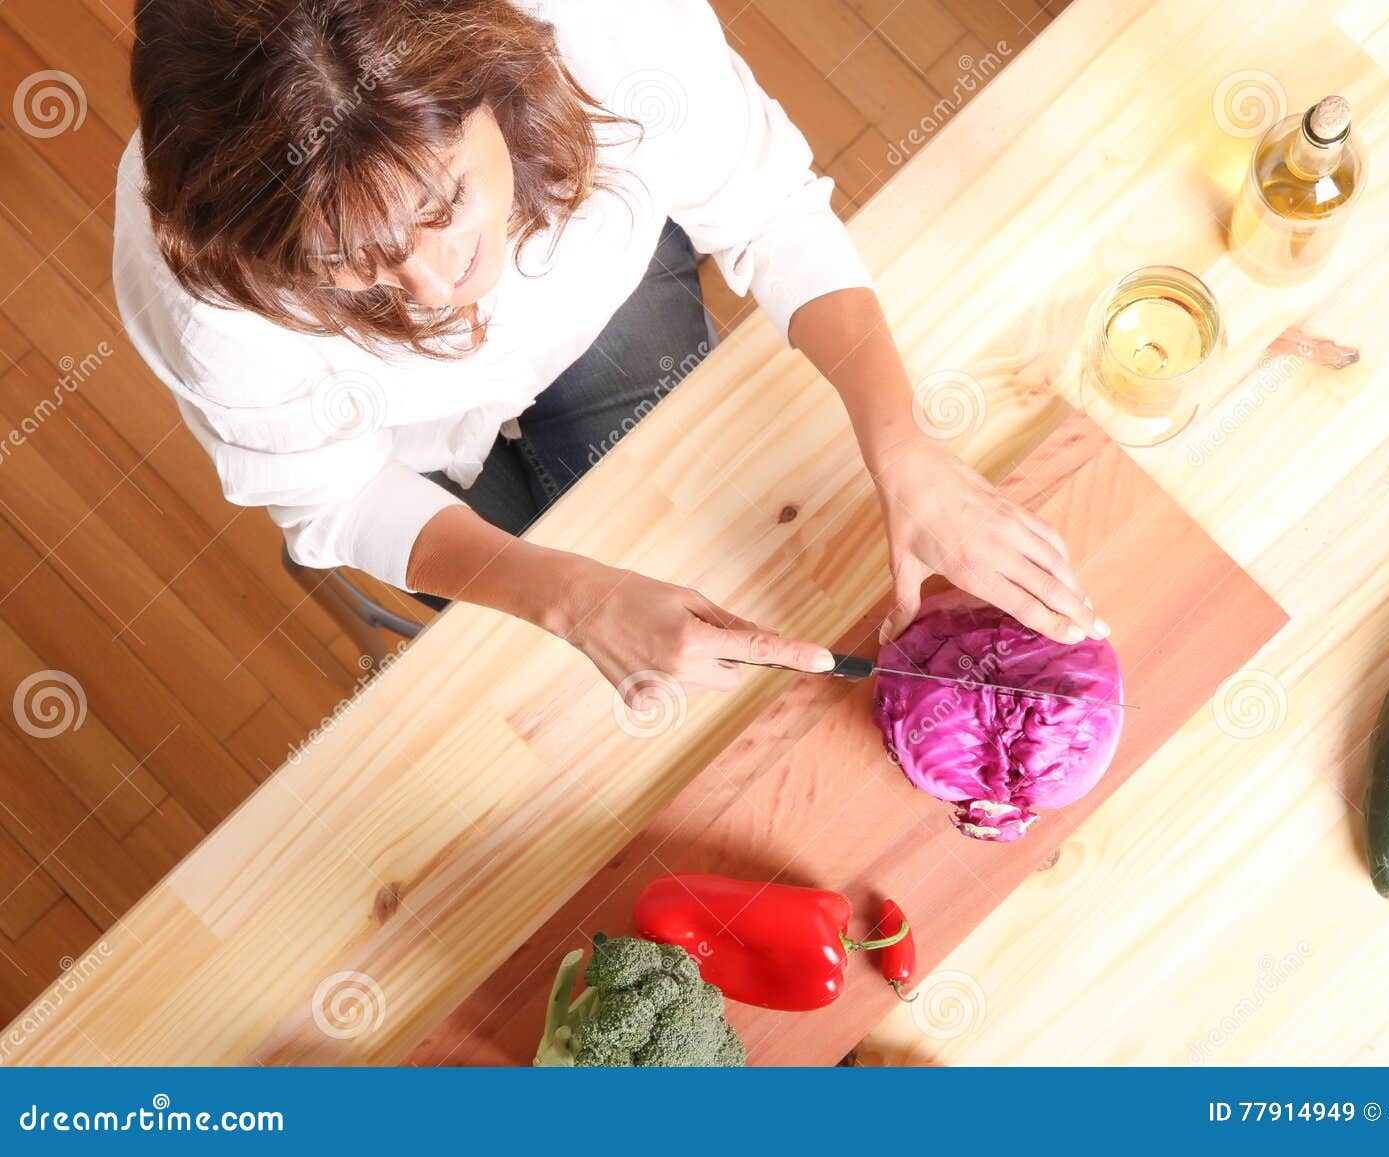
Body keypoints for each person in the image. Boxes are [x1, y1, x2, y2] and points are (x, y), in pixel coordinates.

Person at [115, 0, 1105, 703]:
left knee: (717, 570)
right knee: (571, 681)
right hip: (402, 443)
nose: (431, 286)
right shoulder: (207, 279)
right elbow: (335, 495)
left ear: (499, 84)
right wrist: (575, 601)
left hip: (602, 302)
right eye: (345, 265)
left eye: (448, 202)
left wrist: (908, 449)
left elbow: (767, 210)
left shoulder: (604, 29)